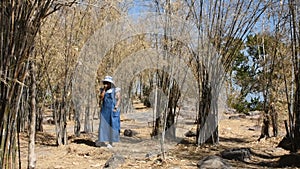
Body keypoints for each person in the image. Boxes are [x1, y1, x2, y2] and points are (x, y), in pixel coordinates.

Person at [96, 76, 121, 148]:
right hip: (104, 110)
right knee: (103, 125)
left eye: (107, 83)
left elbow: (119, 99)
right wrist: (104, 90)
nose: (106, 84)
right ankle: (102, 141)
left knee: (112, 125)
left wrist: (116, 107)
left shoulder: (115, 90)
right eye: (105, 83)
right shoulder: (103, 90)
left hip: (112, 110)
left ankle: (111, 142)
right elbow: (101, 98)